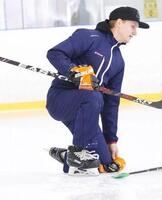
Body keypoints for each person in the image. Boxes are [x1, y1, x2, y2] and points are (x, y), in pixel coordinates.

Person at [46, 6, 149, 175]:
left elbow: (112, 102)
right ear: (120, 22)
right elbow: (55, 53)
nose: (135, 32)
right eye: (133, 26)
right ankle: (78, 155)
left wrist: (111, 139)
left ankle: (68, 158)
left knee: (106, 164)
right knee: (94, 96)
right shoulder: (88, 37)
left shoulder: (119, 62)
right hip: (60, 100)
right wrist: (73, 71)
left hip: (87, 110)